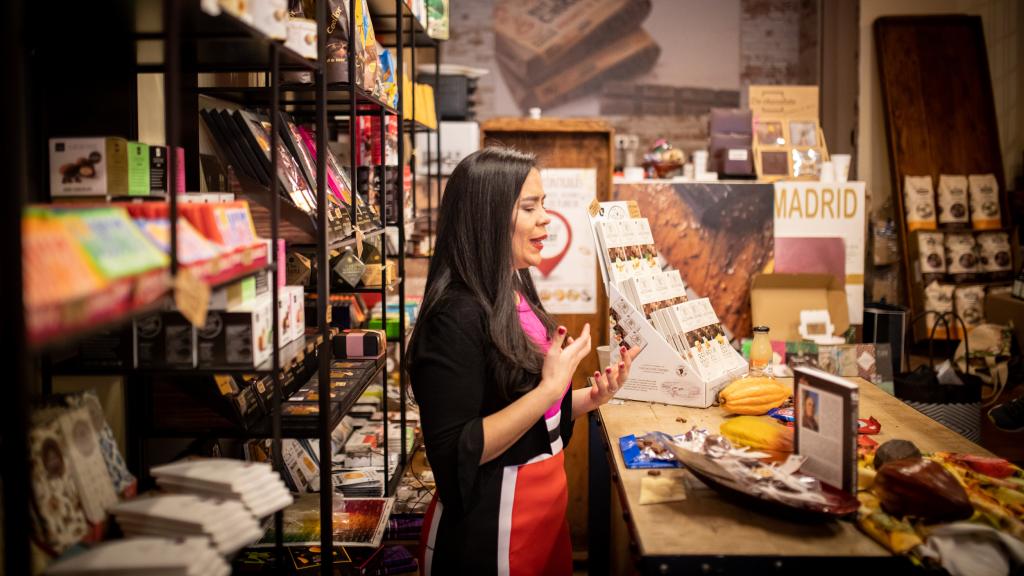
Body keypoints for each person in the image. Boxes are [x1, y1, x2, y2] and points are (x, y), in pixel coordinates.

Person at [408, 147, 637, 575]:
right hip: (488, 531)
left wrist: (589, 396)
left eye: (544, 204)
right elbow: (458, 448)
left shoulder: (515, 289)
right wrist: (551, 388)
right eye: (529, 207)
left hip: (543, 518)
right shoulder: (454, 315)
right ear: (487, 215)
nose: (546, 218)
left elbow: (522, 410)